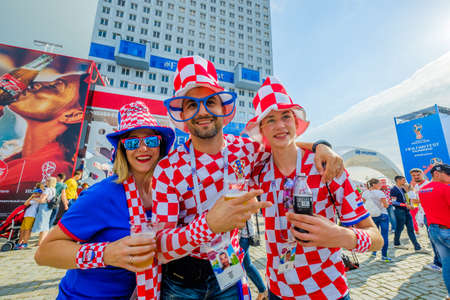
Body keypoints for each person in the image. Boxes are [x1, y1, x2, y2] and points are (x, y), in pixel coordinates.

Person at [153, 56, 344, 300]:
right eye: (191, 104)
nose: (202, 110)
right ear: (182, 114)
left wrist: (321, 146)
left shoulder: (245, 150)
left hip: (228, 269)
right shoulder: (168, 169)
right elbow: (160, 247)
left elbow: (285, 144)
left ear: (224, 110)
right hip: (182, 281)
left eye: (210, 101)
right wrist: (209, 225)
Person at [243, 76, 383, 300]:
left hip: (329, 292)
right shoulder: (259, 171)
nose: (279, 125)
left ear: (296, 123)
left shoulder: (327, 168)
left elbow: (376, 238)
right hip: (278, 292)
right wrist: (319, 144)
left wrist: (341, 235)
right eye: (269, 119)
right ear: (261, 129)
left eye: (285, 116)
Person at [34, 101, 175, 299]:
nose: (143, 148)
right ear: (122, 150)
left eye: (151, 140)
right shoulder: (102, 194)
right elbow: (45, 253)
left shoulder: (167, 196)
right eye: (132, 142)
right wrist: (107, 254)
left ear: (160, 147)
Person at [0, 74, 89, 202]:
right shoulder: (22, 159)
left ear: (72, 115)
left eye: (54, 86)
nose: (36, 83)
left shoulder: (41, 171)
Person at [417, 163, 450, 296]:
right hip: (446, 229)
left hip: (434, 230)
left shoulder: (422, 190)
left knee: (447, 264)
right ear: (436, 173)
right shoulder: (445, 188)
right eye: (447, 173)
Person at [390, 176, 426, 252]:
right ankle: (396, 243)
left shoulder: (403, 189)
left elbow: (406, 198)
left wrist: (410, 204)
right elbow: (393, 202)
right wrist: (405, 205)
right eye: (403, 180)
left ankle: (417, 247)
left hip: (406, 210)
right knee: (400, 228)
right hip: (399, 211)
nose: (405, 181)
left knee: (410, 228)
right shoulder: (393, 189)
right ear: (398, 180)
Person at [362, 178, 391, 262]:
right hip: (383, 215)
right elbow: (385, 206)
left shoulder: (365, 193)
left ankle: (374, 252)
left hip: (372, 216)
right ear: (374, 184)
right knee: (384, 235)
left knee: (374, 235)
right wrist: (388, 203)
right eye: (379, 184)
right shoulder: (380, 193)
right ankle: (384, 256)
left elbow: (362, 204)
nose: (381, 185)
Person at [239, 219, 268, 300]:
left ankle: (262, 291)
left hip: (241, 237)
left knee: (240, 268)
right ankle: (263, 291)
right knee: (247, 265)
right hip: (243, 237)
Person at [14, 182, 43, 250]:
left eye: (36, 193)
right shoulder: (34, 199)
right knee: (22, 230)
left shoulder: (36, 200)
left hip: (31, 216)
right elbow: (26, 204)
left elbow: (26, 204)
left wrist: (32, 197)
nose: (34, 194)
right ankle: (19, 242)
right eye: (34, 193)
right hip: (27, 216)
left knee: (27, 230)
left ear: (39, 194)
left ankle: (25, 243)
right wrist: (32, 197)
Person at [31, 176, 57, 246]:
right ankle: (41, 242)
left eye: (47, 180)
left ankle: (40, 242)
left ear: (50, 182)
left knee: (42, 225)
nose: (46, 181)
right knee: (45, 225)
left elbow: (42, 200)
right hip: (49, 208)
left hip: (44, 208)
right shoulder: (53, 189)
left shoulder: (47, 190)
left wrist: (34, 198)